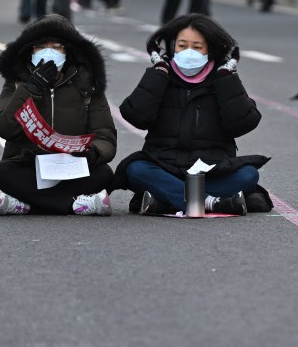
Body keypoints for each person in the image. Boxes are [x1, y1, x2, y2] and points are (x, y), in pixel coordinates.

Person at [115, 14, 271, 216]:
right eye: (182, 45)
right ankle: (211, 202)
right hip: (165, 168)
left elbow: (242, 124)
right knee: (135, 168)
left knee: (248, 175)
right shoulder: (161, 75)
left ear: (210, 49)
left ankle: (167, 200)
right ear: (172, 47)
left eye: (197, 47)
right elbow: (136, 116)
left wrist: (227, 80)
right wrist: (157, 75)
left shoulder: (222, 78)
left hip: (211, 170)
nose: (189, 52)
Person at [0, 15, 116, 216]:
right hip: (29, 165)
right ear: (30, 50)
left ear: (69, 51)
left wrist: (92, 154)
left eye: (57, 46)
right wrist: (31, 88)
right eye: (40, 46)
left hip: (73, 167)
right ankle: (74, 205)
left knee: (105, 174)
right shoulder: (17, 82)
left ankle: (27, 205)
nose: (49, 52)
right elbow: (1, 126)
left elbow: (105, 136)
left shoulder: (87, 84)